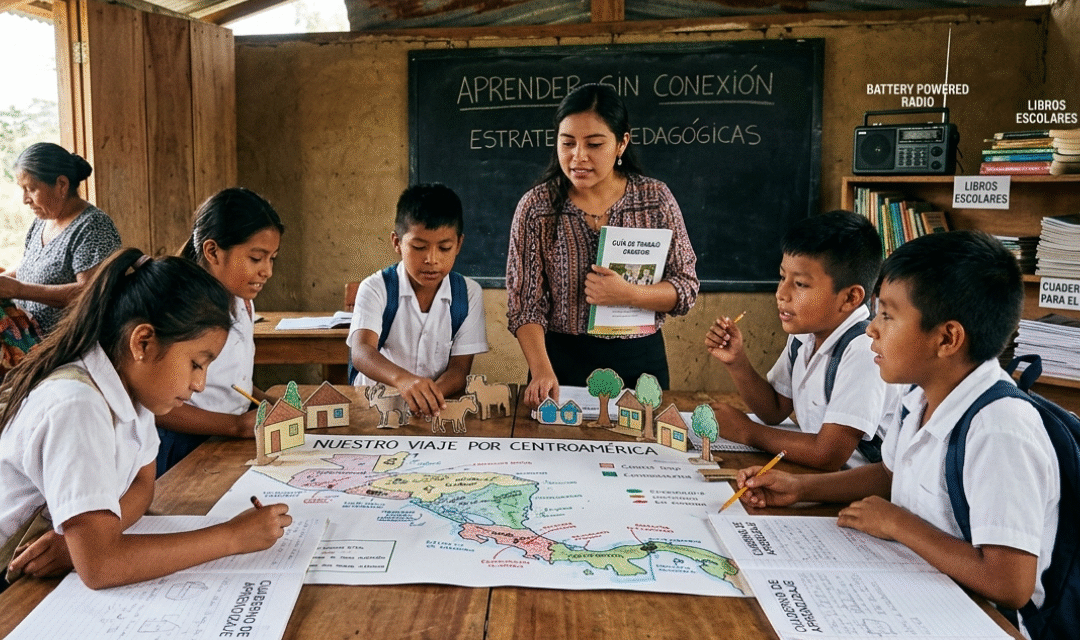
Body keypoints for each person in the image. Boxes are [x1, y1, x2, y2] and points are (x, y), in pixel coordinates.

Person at [735, 230, 1059, 626]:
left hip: (982, 619)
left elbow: (1011, 584)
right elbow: (892, 475)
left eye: (888, 315)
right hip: (916, 587)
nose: (871, 329)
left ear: (947, 338)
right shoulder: (920, 397)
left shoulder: (999, 429)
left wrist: (899, 524)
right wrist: (801, 489)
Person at [0, 249, 291, 591]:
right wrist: (232, 537)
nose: (199, 384)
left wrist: (82, 540)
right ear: (143, 342)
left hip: (44, 573)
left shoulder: (133, 394)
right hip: (12, 584)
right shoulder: (78, 407)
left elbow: (143, 484)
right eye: (197, 364)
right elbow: (101, 567)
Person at [506, 83, 698, 408]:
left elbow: (686, 288)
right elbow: (525, 304)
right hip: (558, 363)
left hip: (640, 361)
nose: (578, 157)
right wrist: (541, 370)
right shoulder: (536, 206)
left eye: (594, 144)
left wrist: (629, 295)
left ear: (622, 143)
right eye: (567, 143)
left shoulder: (655, 199)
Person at [705, 210, 898, 470]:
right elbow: (773, 410)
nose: (781, 293)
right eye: (783, 277)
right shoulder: (805, 336)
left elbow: (828, 455)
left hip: (857, 492)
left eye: (801, 284)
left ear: (851, 298)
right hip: (816, 476)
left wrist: (747, 432)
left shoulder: (866, 349)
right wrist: (737, 362)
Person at [155, 187, 285, 476]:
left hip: (229, 441)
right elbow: (158, 407)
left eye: (272, 258)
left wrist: (267, 402)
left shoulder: (242, 302)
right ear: (213, 251)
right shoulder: (181, 308)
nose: (267, 271)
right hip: (185, 449)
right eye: (256, 258)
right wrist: (236, 426)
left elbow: (232, 381)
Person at [348, 183, 488, 417]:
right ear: (397, 243)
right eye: (419, 247)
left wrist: (430, 398)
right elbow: (362, 351)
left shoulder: (468, 293)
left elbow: (459, 369)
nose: (431, 259)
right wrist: (403, 380)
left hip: (432, 410)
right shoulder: (376, 288)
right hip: (375, 406)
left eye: (444, 248)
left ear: (459, 245)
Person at [1, 143, 122, 334]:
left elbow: (90, 293)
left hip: (68, 346)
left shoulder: (93, 226)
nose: (25, 199)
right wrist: (4, 279)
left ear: (61, 185)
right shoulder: (43, 220)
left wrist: (19, 290)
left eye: (31, 189)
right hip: (29, 334)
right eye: (22, 189)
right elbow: (32, 262)